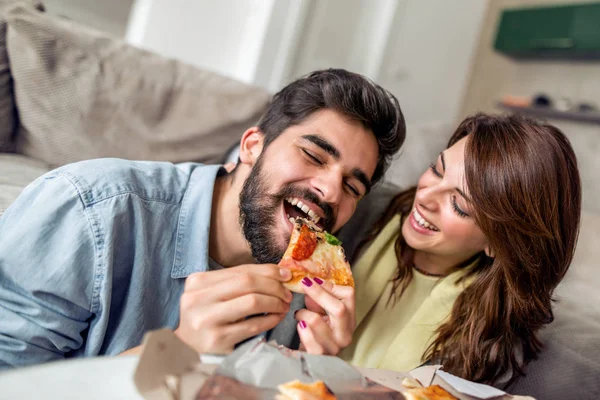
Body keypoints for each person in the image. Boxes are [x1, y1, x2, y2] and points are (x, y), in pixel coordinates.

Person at [0, 69, 406, 368]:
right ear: (252, 146)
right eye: (314, 156)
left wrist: (307, 368)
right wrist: (178, 350)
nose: (332, 192)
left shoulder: (309, 288)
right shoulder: (90, 210)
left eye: (353, 187)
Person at [337, 113, 581, 385]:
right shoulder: (355, 207)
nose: (425, 197)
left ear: (499, 244)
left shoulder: (486, 338)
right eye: (436, 170)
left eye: (459, 205)